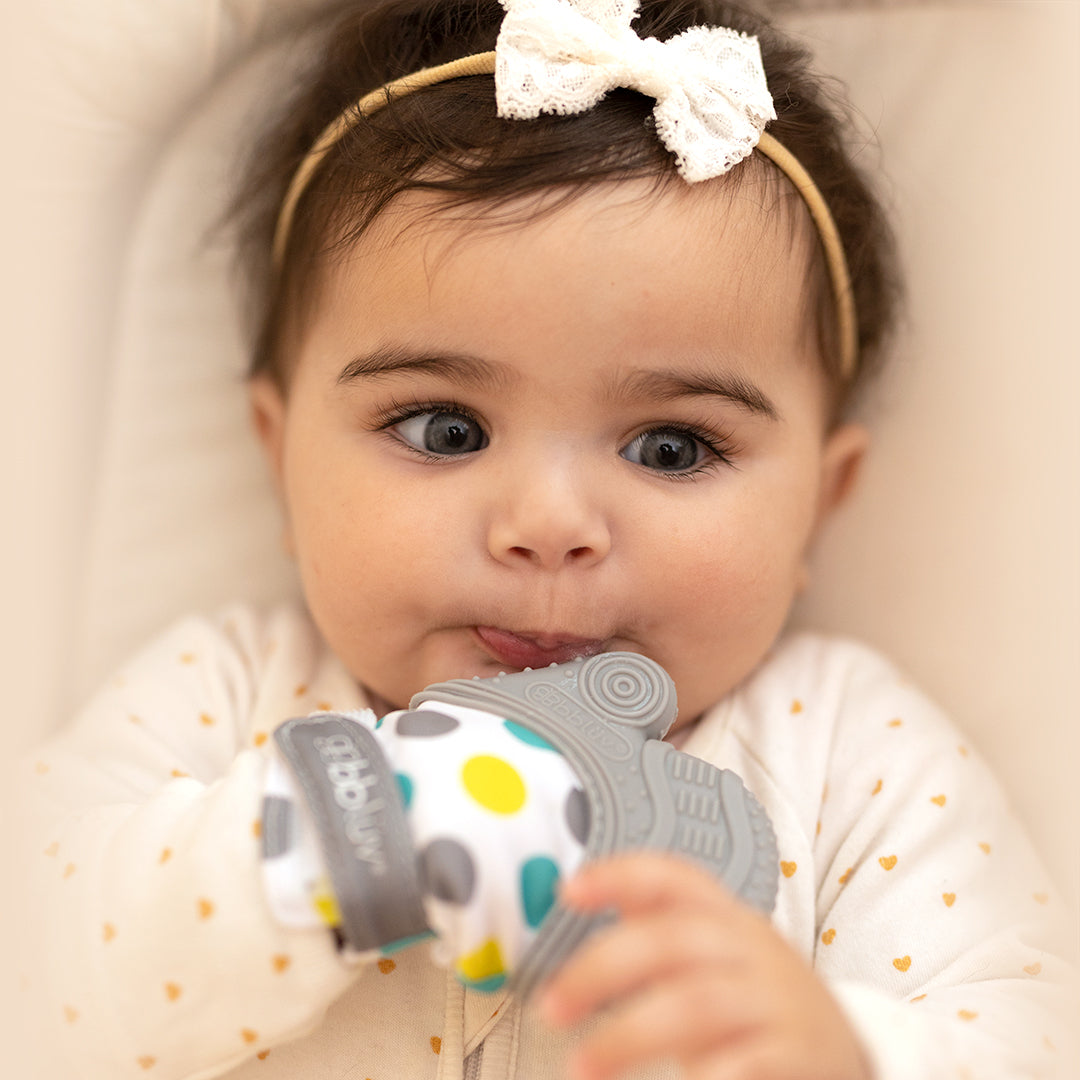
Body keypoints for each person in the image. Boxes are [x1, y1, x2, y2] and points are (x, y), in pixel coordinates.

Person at [19, 0, 1075, 1078]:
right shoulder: (229, 694)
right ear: (281, 458)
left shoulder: (849, 753)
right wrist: (335, 840)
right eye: (445, 430)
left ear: (819, 500)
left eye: (671, 448)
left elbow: (1029, 1033)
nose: (550, 527)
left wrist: (849, 1053)